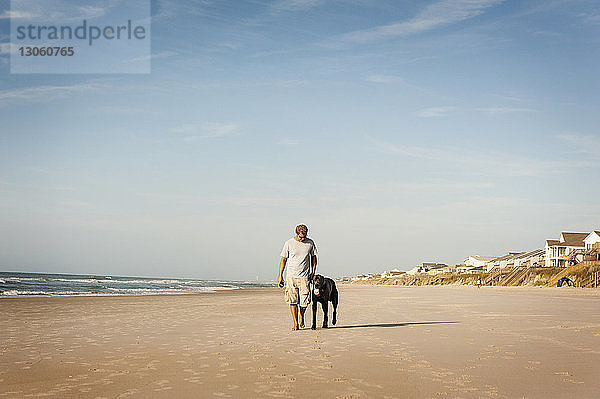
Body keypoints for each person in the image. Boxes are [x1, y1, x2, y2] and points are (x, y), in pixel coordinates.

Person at [277, 224, 318, 330]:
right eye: (301, 237)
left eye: (304, 236)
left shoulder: (310, 243)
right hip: (291, 277)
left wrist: (313, 271)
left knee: (304, 302)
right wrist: (280, 275)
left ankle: (301, 315)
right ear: (296, 233)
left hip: (304, 277)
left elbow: (314, 258)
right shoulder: (289, 243)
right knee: (292, 301)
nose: (302, 238)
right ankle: (295, 323)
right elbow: (283, 260)